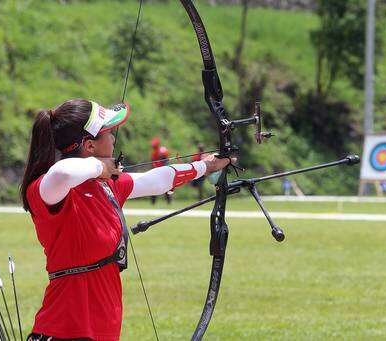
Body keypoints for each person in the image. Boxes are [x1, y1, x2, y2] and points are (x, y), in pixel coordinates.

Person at [20, 99, 230, 341]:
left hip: (104, 330)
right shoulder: (46, 191)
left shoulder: (107, 187)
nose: (113, 139)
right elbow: (63, 173)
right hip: (63, 331)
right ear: (89, 146)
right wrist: (100, 167)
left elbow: (156, 180)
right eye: (109, 133)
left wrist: (206, 165)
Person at [149, 137, 172, 204]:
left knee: (167, 186)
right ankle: (153, 202)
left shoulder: (163, 150)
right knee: (154, 187)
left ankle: (169, 202)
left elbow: (166, 160)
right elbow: (152, 162)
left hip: (163, 171)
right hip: (156, 172)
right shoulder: (153, 153)